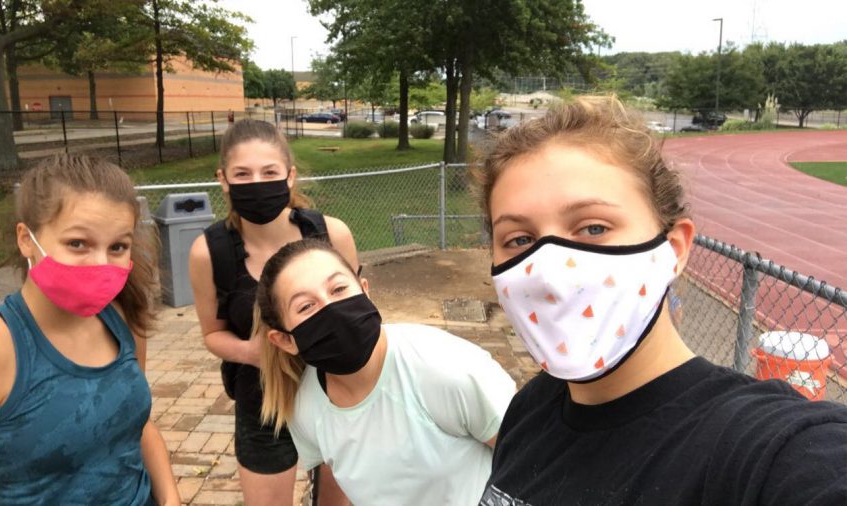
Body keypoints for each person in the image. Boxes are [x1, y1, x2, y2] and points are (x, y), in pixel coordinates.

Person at [476, 96, 847, 505]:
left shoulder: (760, 448)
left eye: (594, 227)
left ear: (673, 248)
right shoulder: (531, 409)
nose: (549, 272)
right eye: (520, 240)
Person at [0, 154, 179, 505]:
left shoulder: (122, 320)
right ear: (27, 239)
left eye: (118, 247)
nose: (101, 263)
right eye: (78, 243)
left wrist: (171, 499)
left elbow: (138, 427)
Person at [256, 239, 517, 505]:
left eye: (338, 288)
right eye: (305, 307)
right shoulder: (304, 407)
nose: (330, 308)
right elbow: (333, 477)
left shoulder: (446, 368)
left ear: (365, 291)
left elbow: (531, 456)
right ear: (285, 340)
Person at [188, 119, 358, 505]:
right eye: (242, 174)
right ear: (224, 179)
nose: (256, 182)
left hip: (336, 393)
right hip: (263, 402)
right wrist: (256, 352)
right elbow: (212, 334)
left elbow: (360, 312)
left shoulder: (333, 235)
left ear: (290, 176)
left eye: (269, 172)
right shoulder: (208, 251)